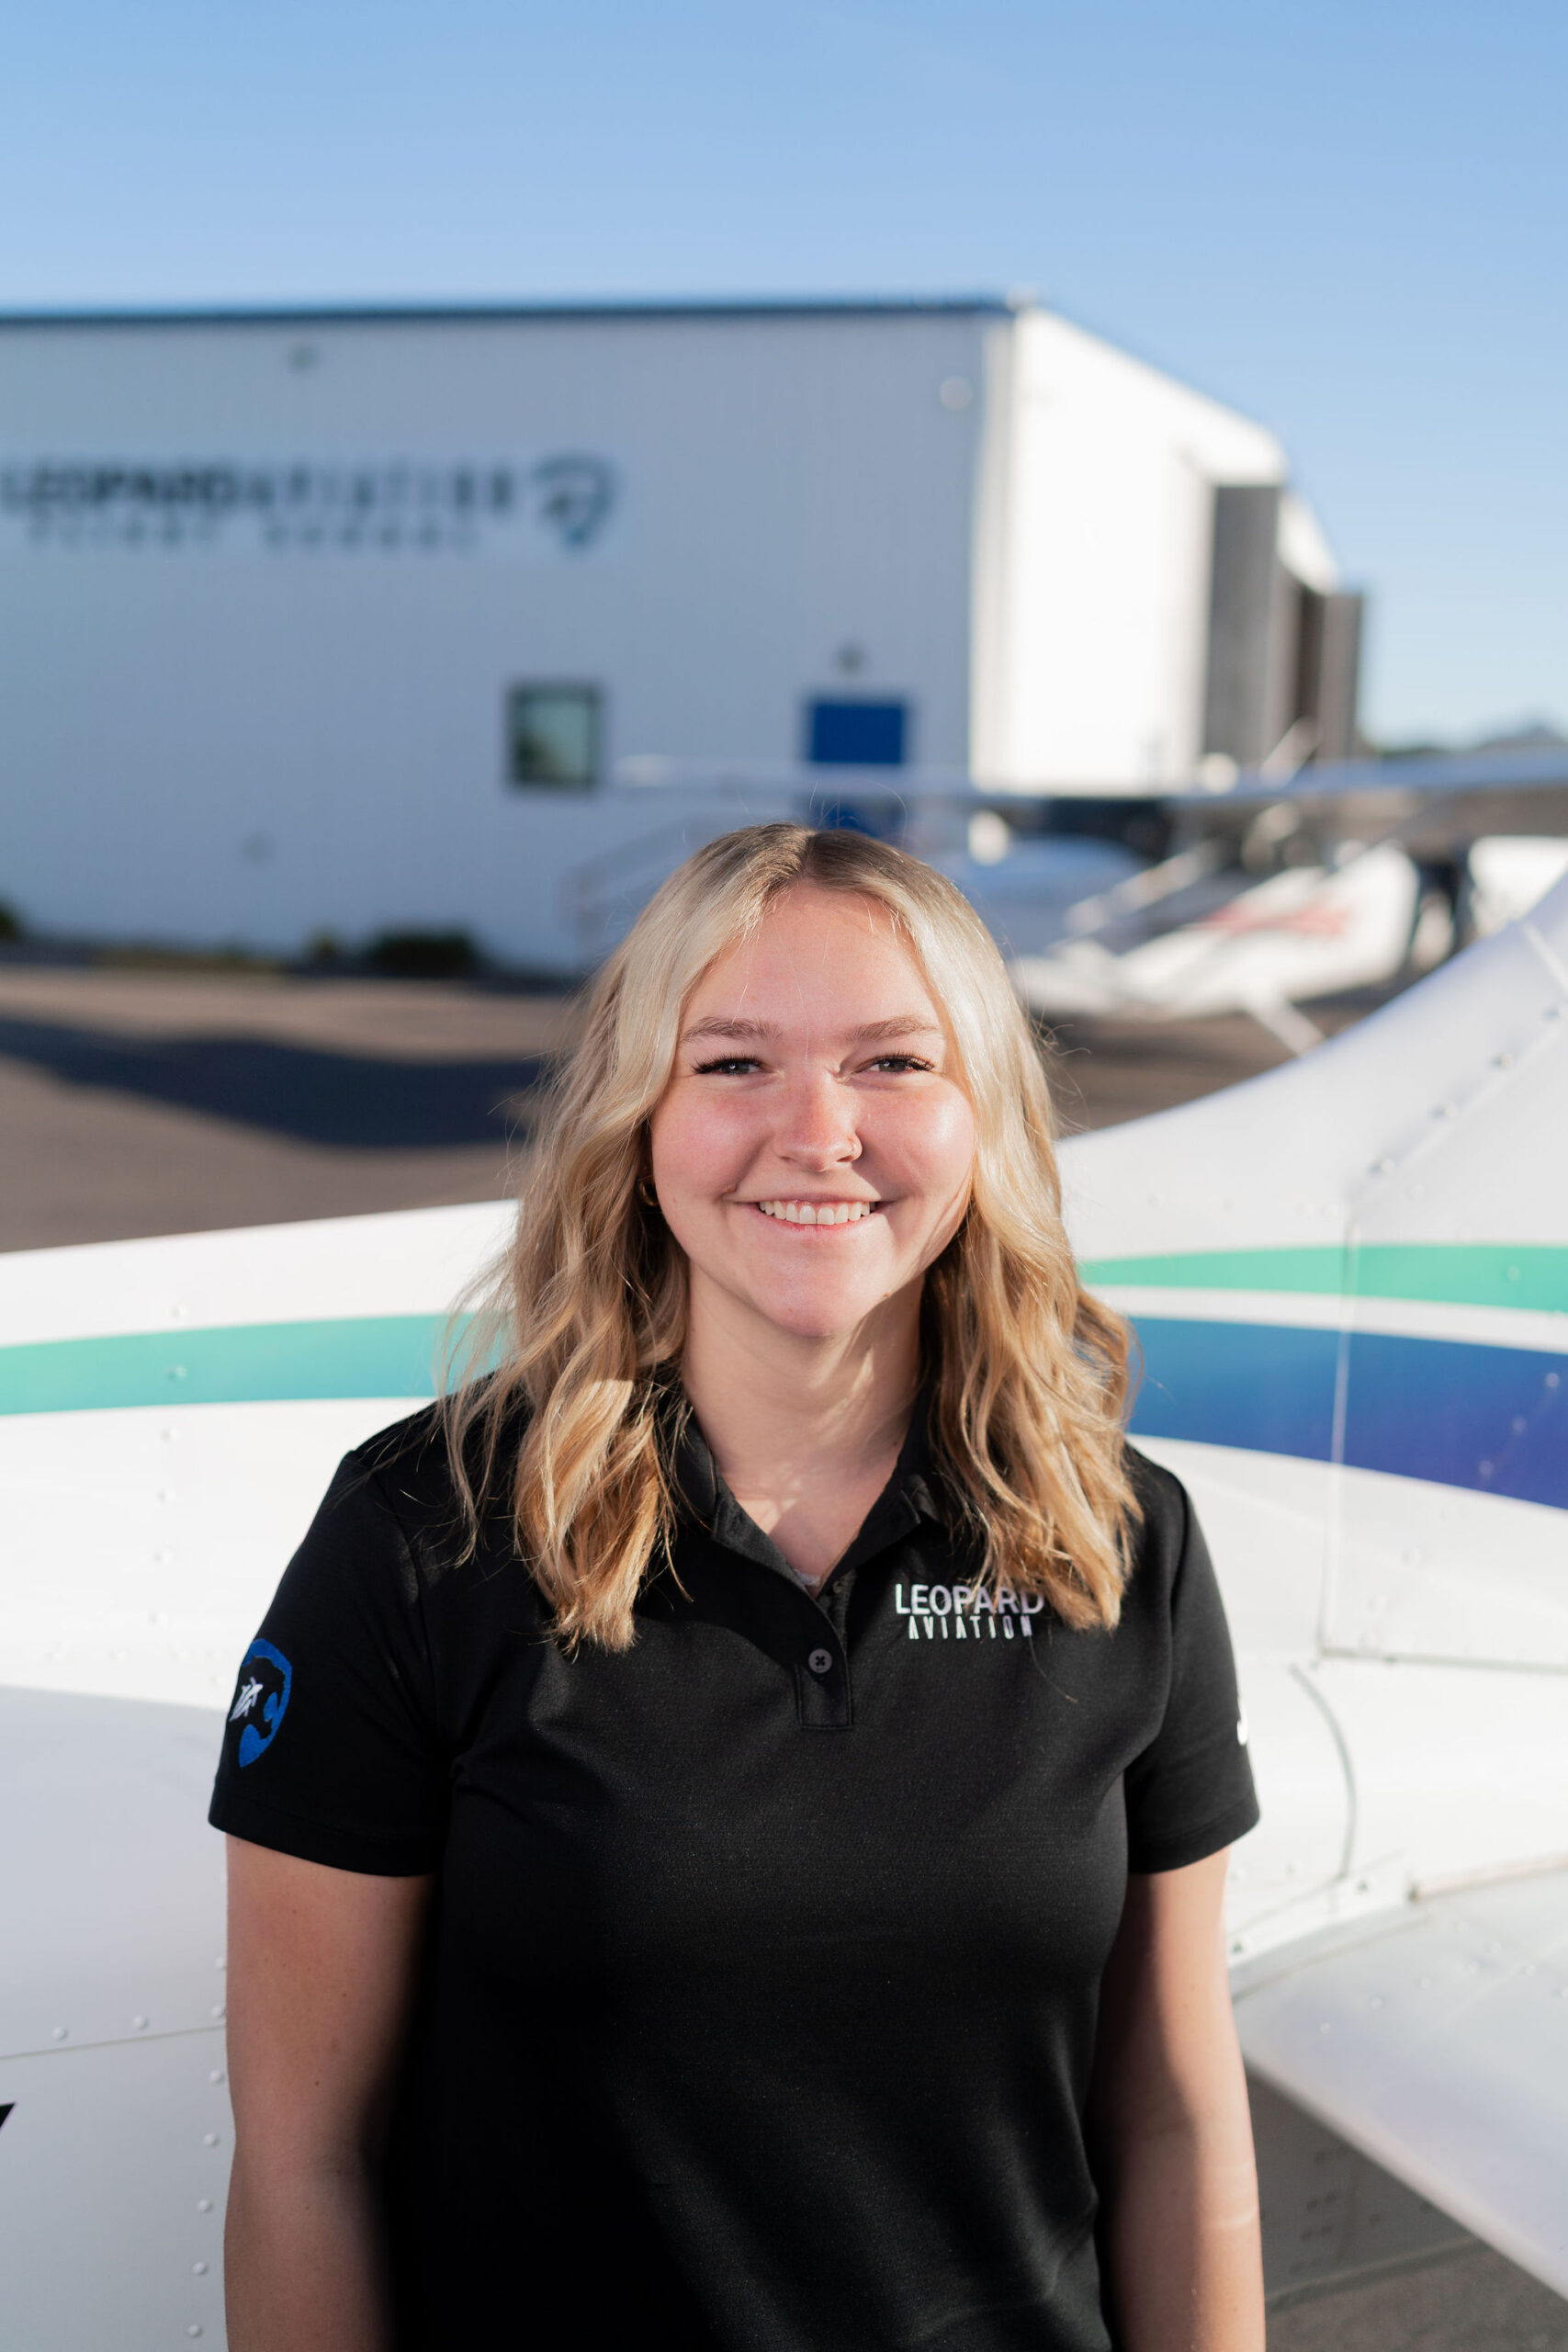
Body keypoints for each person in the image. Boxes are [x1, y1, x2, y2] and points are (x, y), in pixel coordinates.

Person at [212, 823, 1265, 2352]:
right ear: (640, 1116)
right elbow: (307, 2162)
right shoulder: (422, 1534)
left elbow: (1174, 2117)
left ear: (986, 1119)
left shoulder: (1115, 1535)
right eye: (733, 1065)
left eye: (895, 1064)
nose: (817, 1130)